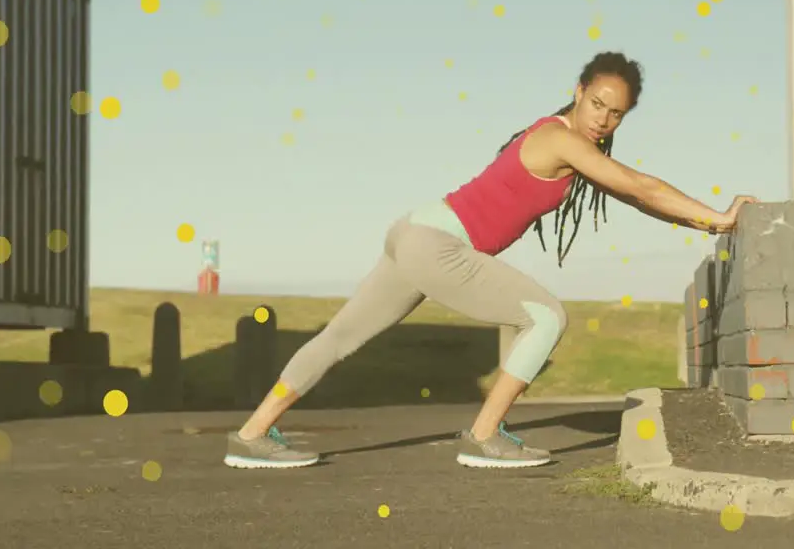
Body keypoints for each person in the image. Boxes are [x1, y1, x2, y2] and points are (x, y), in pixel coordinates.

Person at [223, 51, 759, 470]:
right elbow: (639, 184)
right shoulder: (560, 137)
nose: (604, 119)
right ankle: (484, 436)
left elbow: (638, 197)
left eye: (616, 113)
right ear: (579, 91)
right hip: (438, 245)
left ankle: (251, 436)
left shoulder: (566, 141)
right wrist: (719, 216)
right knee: (547, 317)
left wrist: (707, 221)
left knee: (338, 338)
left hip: (416, 231)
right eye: (597, 103)